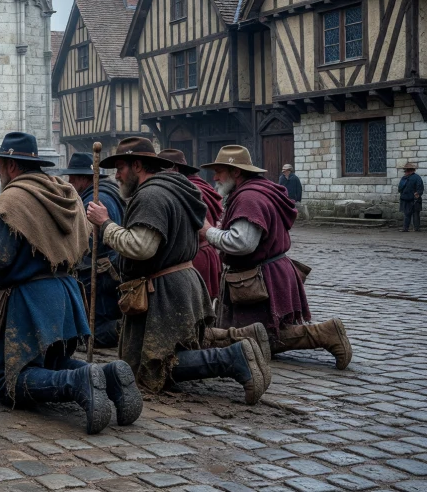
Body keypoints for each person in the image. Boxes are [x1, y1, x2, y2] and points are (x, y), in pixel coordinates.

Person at [87, 138, 272, 409]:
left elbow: (141, 247)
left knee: (151, 369)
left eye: (121, 167)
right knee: (169, 350)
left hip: (164, 289)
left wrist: (105, 224)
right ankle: (243, 339)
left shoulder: (151, 195)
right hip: (180, 281)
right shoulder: (173, 187)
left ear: (137, 165)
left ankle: (235, 358)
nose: (116, 175)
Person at [0, 132, 123, 435]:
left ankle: (80, 381)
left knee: (6, 382)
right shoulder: (65, 192)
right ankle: (107, 376)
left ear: (11, 165)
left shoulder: (13, 199)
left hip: (29, 298)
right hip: (66, 292)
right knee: (51, 362)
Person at [200, 145, 352, 369]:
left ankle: (326, 333)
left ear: (236, 172)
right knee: (255, 335)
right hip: (270, 271)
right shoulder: (256, 190)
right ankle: (325, 333)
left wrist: (208, 232)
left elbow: (242, 242)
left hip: (260, 277)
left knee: (260, 337)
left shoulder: (249, 198)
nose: (215, 177)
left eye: (220, 171)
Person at [55, 152, 123, 350]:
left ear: (83, 179)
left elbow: (89, 240)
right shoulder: (107, 192)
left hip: (101, 271)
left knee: (96, 324)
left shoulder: (95, 200)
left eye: (73, 179)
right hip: (106, 267)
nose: (70, 183)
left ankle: (121, 331)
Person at [157, 150, 223, 301]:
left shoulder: (189, 190)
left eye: (161, 169)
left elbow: (199, 229)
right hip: (205, 253)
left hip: (195, 256)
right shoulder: (195, 185)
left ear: (174, 169)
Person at [399, 163, 423, 232]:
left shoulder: (416, 178)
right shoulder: (404, 179)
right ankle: (407, 228)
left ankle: (415, 228)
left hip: (414, 199)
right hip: (406, 199)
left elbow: (420, 188)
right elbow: (400, 188)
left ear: (410, 171)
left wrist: (417, 194)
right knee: (408, 214)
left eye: (406, 171)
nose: (405, 172)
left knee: (415, 214)